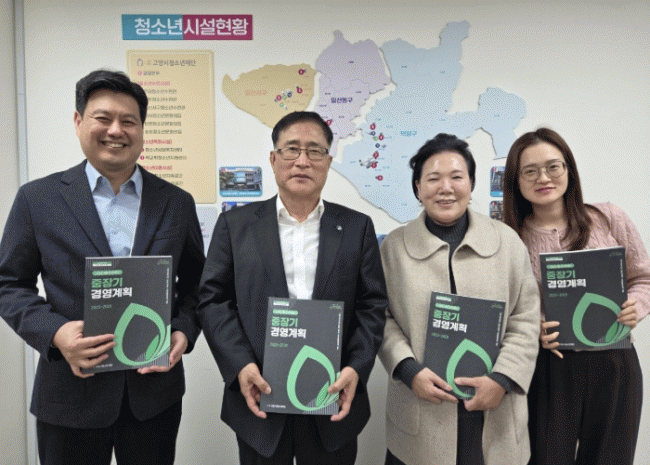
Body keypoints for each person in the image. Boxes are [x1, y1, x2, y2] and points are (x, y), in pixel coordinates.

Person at [0, 69, 205, 465]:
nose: (116, 130)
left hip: (153, 397)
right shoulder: (37, 198)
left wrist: (183, 329)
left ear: (141, 130)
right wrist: (56, 333)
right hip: (69, 394)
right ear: (79, 121)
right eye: (103, 118)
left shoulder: (176, 202)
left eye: (129, 121)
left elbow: (199, 285)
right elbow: (9, 284)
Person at [196, 111, 387, 464]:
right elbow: (212, 301)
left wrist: (356, 369)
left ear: (328, 161)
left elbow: (372, 306)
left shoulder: (356, 227)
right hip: (260, 397)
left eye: (315, 151)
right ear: (273, 159)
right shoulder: (236, 225)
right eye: (292, 149)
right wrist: (240, 365)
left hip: (333, 397)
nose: (302, 161)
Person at [379, 133, 541, 465]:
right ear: (418, 188)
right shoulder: (393, 248)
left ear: (471, 183)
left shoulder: (507, 242)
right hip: (422, 409)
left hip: (495, 410)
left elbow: (525, 318)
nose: (446, 188)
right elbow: (380, 318)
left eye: (456, 177)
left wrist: (502, 379)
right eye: (433, 179)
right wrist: (409, 370)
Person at [502, 127, 649, 465]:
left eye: (553, 166)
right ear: (516, 180)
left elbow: (643, 277)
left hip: (613, 360)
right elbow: (505, 306)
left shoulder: (607, 217)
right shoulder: (508, 238)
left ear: (568, 169)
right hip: (548, 367)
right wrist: (534, 328)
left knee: (611, 458)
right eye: (530, 171)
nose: (544, 178)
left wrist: (636, 306)